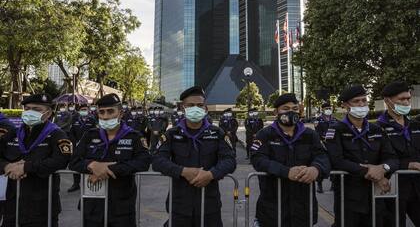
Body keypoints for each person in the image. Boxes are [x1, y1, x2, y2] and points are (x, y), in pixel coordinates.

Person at [152, 86, 236, 227]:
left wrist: (210, 174)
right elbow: (157, 160)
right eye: (190, 105)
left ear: (205, 109)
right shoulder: (171, 134)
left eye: (199, 105)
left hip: (209, 205)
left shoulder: (217, 133)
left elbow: (230, 160)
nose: (195, 108)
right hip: (179, 205)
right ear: (183, 108)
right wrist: (182, 171)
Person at [69, 93, 151, 227]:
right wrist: (92, 165)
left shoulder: (133, 136)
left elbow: (144, 161)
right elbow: (73, 161)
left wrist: (111, 169)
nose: (106, 116)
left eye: (110, 111)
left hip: (121, 207)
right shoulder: (90, 135)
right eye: (102, 112)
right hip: (92, 205)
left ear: (121, 113)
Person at [250, 93, 330, 227]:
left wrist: (316, 169)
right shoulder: (265, 134)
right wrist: (286, 172)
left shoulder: (309, 135)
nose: (291, 112)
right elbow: (258, 159)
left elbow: (323, 156)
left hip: (303, 207)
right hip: (273, 207)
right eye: (285, 109)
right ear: (276, 112)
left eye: (294, 109)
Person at [325, 85, 399, 227]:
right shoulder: (336, 130)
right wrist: (370, 172)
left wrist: (383, 169)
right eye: (356, 101)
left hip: (376, 193)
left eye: (364, 101)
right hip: (348, 194)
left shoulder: (376, 129)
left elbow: (392, 157)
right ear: (345, 105)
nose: (361, 105)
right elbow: (336, 160)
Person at [0, 93, 72, 227]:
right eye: (27, 109)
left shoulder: (56, 134)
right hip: (12, 204)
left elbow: (61, 160)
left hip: (42, 207)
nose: (30, 112)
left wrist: (26, 167)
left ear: (48, 113)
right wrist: (6, 166)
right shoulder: (14, 133)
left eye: (36, 109)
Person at [376, 81, 420, 227]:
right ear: (388, 101)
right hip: (393, 188)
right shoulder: (377, 128)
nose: (407, 102)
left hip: (417, 186)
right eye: (402, 99)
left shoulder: (414, 125)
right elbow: (378, 158)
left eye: (408, 98)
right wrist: (408, 164)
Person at [67, 103, 97, 192]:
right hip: (77, 145)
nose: (84, 111)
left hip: (88, 146)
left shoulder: (92, 120)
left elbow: (95, 132)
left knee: (87, 164)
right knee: (76, 162)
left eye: (85, 109)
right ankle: (76, 184)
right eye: (82, 109)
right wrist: (74, 142)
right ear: (79, 111)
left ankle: (88, 183)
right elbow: (71, 133)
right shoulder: (75, 119)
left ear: (88, 110)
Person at [314, 102, 337, 193]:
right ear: (322, 109)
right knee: (322, 164)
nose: (328, 110)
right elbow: (317, 133)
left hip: (333, 145)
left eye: (329, 108)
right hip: (322, 144)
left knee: (334, 165)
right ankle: (319, 185)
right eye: (326, 108)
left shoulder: (335, 120)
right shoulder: (318, 120)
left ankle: (333, 184)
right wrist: (321, 142)